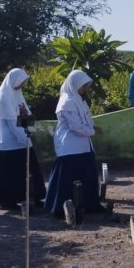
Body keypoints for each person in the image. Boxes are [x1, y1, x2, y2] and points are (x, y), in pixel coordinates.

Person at [44, 70, 106, 216]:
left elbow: (85, 120)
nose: (85, 89)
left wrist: (92, 128)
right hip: (71, 147)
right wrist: (92, 131)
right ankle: (60, 208)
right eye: (83, 85)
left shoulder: (78, 99)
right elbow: (76, 127)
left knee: (88, 178)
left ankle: (89, 205)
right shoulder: (67, 101)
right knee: (66, 180)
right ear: (75, 84)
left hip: (83, 146)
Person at [0, 68, 46, 210]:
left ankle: (32, 197)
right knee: (10, 173)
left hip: (22, 137)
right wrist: (24, 139)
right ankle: (7, 201)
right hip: (9, 141)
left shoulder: (17, 93)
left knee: (28, 170)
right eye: (21, 81)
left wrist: (24, 114)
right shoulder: (3, 95)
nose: (22, 85)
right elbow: (11, 122)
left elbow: (27, 114)